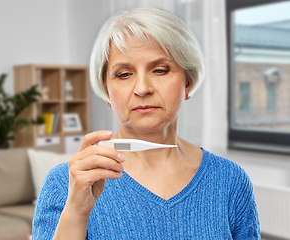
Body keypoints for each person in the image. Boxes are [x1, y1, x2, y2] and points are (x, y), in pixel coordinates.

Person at [32, 7, 260, 239]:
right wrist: (76, 214)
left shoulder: (230, 180)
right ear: (107, 90)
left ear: (188, 83)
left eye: (160, 70)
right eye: (123, 74)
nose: (142, 89)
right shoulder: (65, 184)